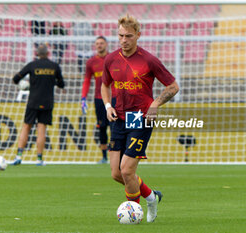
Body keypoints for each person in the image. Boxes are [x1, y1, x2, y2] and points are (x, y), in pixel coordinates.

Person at [101, 15, 179, 223]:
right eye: (120, 36)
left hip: (140, 117)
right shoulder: (111, 59)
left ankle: (133, 214)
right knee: (117, 174)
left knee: (127, 171)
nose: (123, 40)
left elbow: (173, 86)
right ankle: (151, 196)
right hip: (119, 117)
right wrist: (108, 106)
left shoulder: (149, 60)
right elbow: (104, 85)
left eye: (128, 36)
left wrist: (155, 104)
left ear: (138, 36)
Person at [12, 44, 65, 166]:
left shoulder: (32, 65)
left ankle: (18, 156)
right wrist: (52, 81)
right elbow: (62, 84)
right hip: (47, 102)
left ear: (37, 54)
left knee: (26, 127)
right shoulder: (54, 66)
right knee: (41, 129)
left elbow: (15, 79)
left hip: (33, 101)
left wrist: (28, 84)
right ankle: (39, 159)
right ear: (48, 53)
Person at [81, 36, 116, 164]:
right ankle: (104, 157)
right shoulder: (91, 62)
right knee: (101, 127)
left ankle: (115, 154)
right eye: (97, 43)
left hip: (113, 98)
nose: (99, 45)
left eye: (101, 43)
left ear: (106, 44)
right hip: (99, 99)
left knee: (114, 127)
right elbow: (87, 80)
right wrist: (83, 97)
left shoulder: (113, 59)